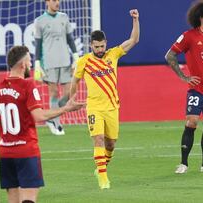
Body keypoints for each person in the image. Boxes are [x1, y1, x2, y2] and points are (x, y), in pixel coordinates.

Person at [0, 45, 85, 203]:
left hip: (6, 153)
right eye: (29, 61)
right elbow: (39, 115)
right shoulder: (27, 86)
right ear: (22, 65)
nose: (30, 65)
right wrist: (66, 108)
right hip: (26, 151)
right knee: (28, 200)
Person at [70, 9, 139, 190]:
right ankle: (103, 178)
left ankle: (101, 167)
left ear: (105, 43)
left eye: (102, 46)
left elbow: (134, 40)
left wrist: (135, 20)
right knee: (98, 139)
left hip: (112, 106)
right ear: (91, 45)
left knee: (111, 143)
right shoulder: (84, 61)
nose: (100, 50)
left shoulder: (113, 54)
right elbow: (75, 81)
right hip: (94, 107)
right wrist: (71, 99)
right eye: (96, 47)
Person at [165, 0, 203, 174]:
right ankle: (183, 163)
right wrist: (183, 77)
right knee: (191, 122)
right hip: (197, 89)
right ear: (201, 18)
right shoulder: (189, 36)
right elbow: (170, 55)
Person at [34, 0, 79, 135]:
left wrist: (76, 56)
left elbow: (70, 39)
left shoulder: (64, 17)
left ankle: (51, 116)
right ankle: (57, 124)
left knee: (70, 92)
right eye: (54, 0)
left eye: (58, 0)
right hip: (49, 62)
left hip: (65, 61)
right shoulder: (40, 21)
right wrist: (37, 64)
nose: (57, 2)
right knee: (54, 93)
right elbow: (38, 43)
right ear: (47, 2)